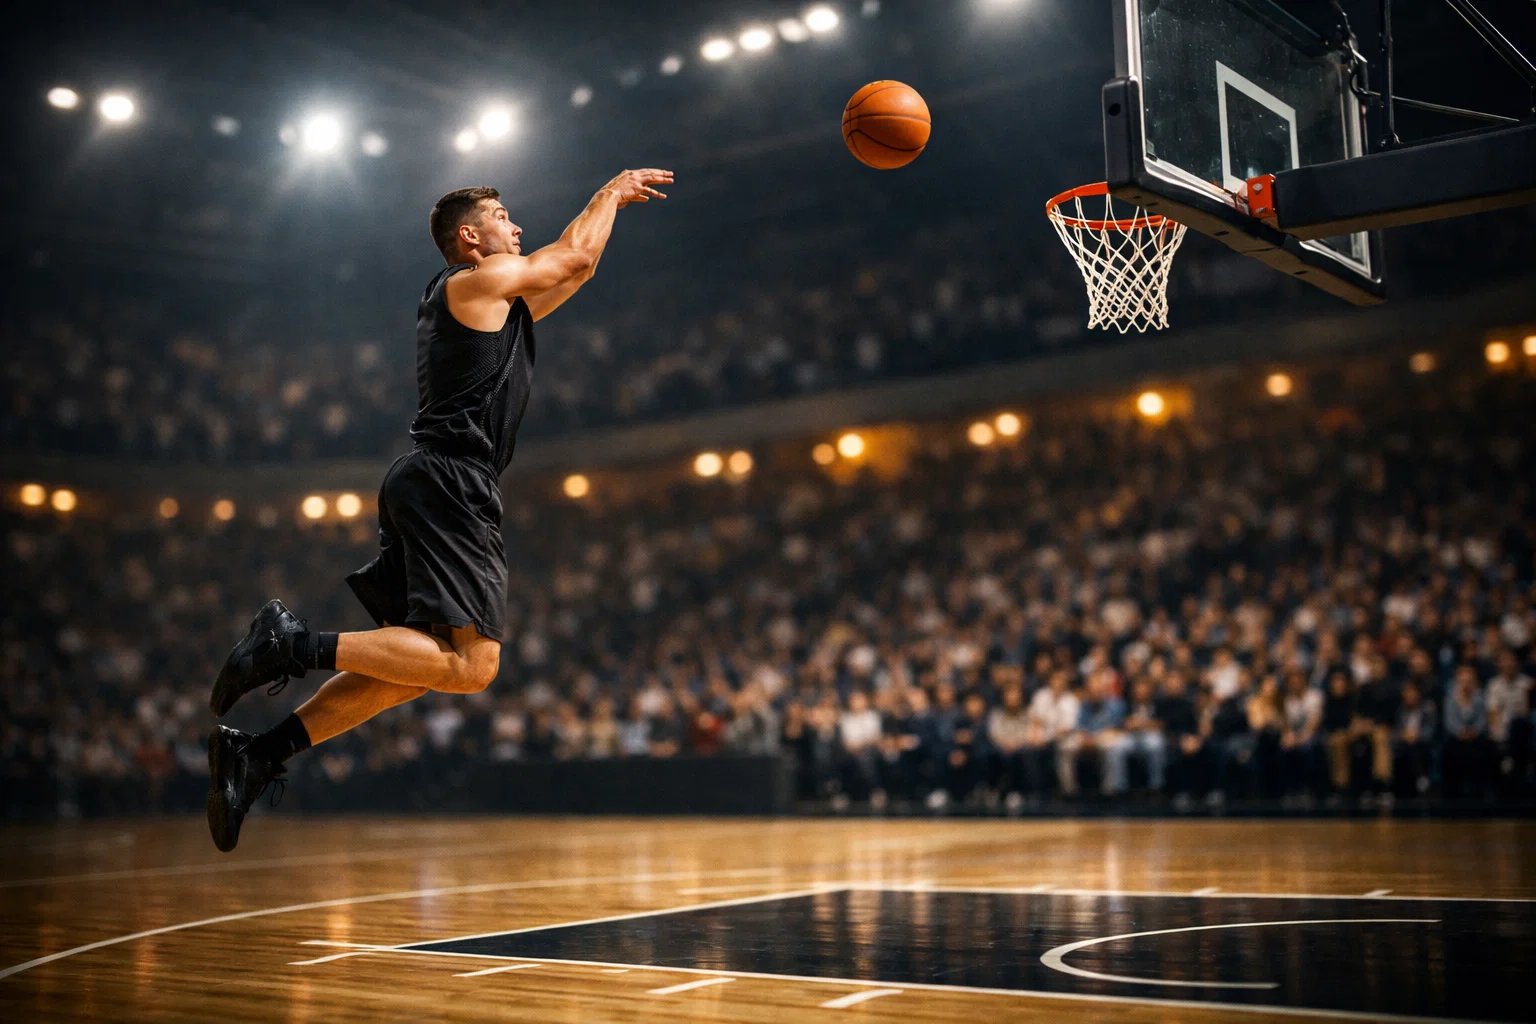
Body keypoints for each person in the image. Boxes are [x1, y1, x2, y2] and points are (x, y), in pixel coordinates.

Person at [201, 171, 676, 851]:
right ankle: (290, 644)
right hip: (452, 482)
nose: (516, 228)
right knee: (471, 667)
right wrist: (611, 190)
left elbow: (580, 267)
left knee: (409, 671)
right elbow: (570, 255)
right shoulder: (469, 284)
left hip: (431, 481)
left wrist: (601, 224)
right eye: (505, 217)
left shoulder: (496, 308)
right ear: (470, 237)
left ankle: (260, 753)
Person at [1104, 677, 1166, 796]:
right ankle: (1119, 788)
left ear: (1149, 690)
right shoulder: (1127, 703)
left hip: (1150, 735)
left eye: (1144, 688)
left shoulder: (1158, 702)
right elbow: (1121, 723)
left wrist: (1144, 724)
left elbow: (1162, 724)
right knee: (1115, 748)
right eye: (1138, 688)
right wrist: (1129, 724)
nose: (1141, 691)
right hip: (1130, 736)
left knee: (1157, 746)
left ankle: (1156, 786)